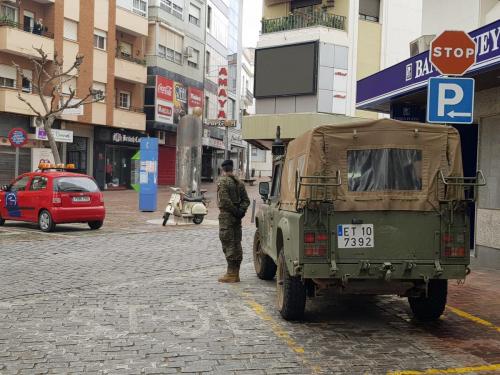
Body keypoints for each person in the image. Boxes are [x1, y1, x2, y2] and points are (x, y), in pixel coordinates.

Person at [217, 159, 250, 283]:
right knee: (236, 242)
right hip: (237, 217)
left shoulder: (222, 181)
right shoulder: (239, 183)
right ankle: (235, 273)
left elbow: (224, 200)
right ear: (232, 168)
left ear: (223, 169)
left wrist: (234, 211)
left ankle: (231, 274)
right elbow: (246, 200)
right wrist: (240, 211)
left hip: (227, 216)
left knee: (227, 242)